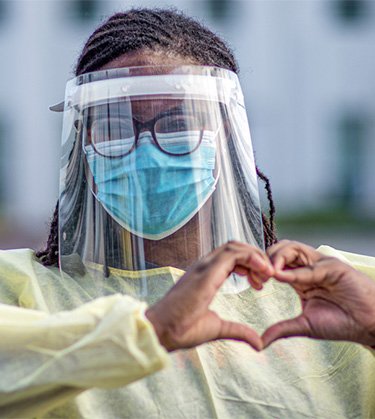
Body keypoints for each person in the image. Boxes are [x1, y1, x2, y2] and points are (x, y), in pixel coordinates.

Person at [0, 8, 373, 418]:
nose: (147, 149)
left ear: (225, 135)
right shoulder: (16, 291)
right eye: (114, 125)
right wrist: (147, 333)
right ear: (83, 144)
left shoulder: (341, 289)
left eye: (177, 120)